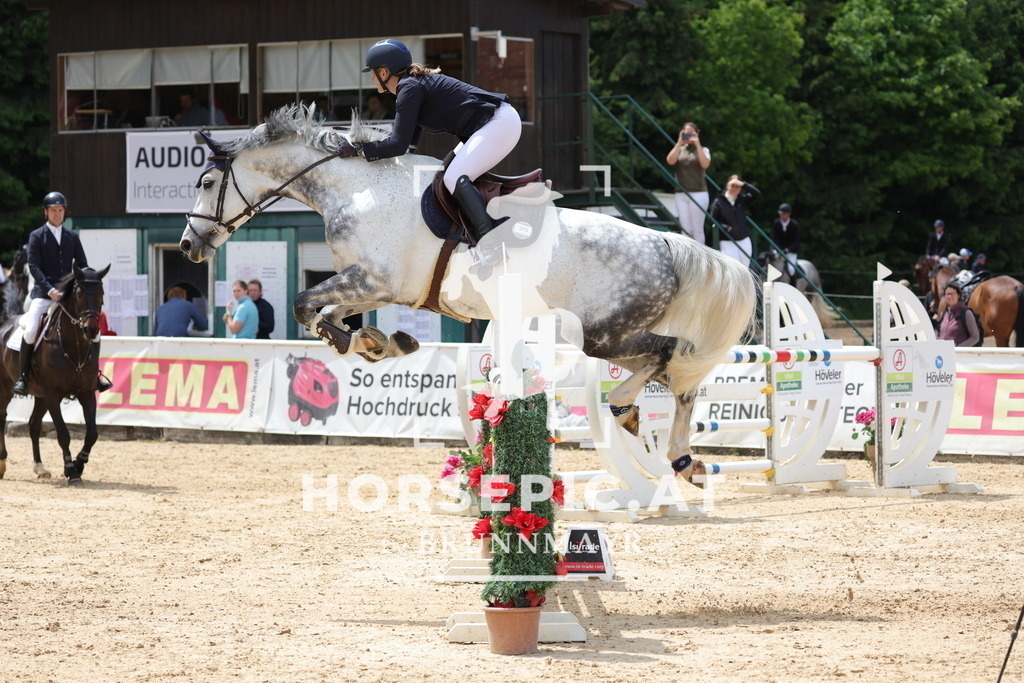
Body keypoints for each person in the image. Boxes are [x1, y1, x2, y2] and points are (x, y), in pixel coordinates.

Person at [351, 39, 521, 253]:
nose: (372, 78)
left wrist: (359, 151)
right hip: (490, 124)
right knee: (445, 175)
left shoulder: (409, 88)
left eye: (373, 72)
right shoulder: (412, 87)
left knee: (454, 177)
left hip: (499, 123)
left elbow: (397, 145)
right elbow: (408, 146)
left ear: (384, 73)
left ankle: (491, 243)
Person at [14, 192, 111, 395]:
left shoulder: (72, 237)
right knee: (31, 329)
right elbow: (33, 266)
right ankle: (23, 378)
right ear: (46, 212)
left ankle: (95, 376)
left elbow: (82, 266)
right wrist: (50, 290)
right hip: (43, 294)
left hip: (67, 296)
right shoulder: (37, 236)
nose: (57, 214)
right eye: (53, 210)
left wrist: (90, 281)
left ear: (64, 212)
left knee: (95, 333)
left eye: (60, 210)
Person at [665, 122, 711, 243]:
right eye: (686, 133)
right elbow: (670, 160)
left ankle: (700, 258)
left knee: (697, 229)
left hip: (698, 192)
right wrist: (680, 142)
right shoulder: (680, 149)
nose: (689, 135)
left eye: (692, 133)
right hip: (681, 192)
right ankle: (687, 258)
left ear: (697, 133)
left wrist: (697, 143)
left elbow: (705, 164)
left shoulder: (703, 149)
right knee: (685, 229)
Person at [710, 175, 761, 268]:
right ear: (727, 185)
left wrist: (743, 184)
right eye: (732, 185)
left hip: (743, 238)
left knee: (745, 267)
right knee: (734, 267)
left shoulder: (742, 199)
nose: (734, 188)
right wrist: (725, 228)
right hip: (727, 240)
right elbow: (712, 219)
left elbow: (757, 194)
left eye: (737, 186)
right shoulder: (719, 201)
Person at [938, 283, 981, 347]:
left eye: (952, 294)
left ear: (958, 295)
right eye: (947, 294)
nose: (949, 296)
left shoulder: (966, 313)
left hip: (959, 354)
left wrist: (958, 347)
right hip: (943, 354)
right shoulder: (945, 313)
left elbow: (975, 337)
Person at [771, 203, 800, 278]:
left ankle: (793, 285)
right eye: (781, 214)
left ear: (788, 214)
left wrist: (788, 249)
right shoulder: (776, 223)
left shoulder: (794, 224)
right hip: (779, 250)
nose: (782, 215)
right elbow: (774, 238)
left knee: (791, 269)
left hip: (790, 251)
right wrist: (774, 248)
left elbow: (796, 241)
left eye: (784, 214)